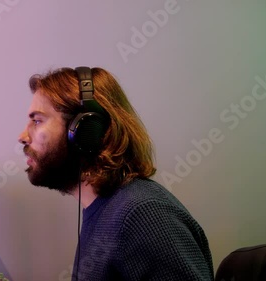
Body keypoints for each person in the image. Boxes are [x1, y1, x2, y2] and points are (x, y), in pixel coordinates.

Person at [17, 66, 214, 280]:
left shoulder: (141, 215)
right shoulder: (105, 210)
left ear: (85, 132)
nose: (23, 136)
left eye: (37, 121)